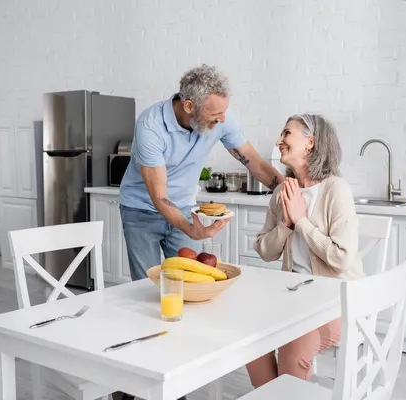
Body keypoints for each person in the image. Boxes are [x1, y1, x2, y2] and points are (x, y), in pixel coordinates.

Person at [119, 64, 284, 282]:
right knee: (148, 286)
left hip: (185, 207)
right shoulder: (151, 126)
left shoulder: (222, 119)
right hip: (141, 210)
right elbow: (159, 196)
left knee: (193, 281)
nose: (223, 119)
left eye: (224, 111)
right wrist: (191, 229)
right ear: (189, 106)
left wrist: (288, 192)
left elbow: (256, 164)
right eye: (216, 113)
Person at [245, 114, 364, 388]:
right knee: (250, 337)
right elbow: (265, 251)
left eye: (287, 133)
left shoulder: (336, 190)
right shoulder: (282, 193)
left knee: (293, 348)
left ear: (310, 143)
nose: (279, 141)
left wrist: (301, 222)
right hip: (295, 299)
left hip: (340, 301)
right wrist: (285, 225)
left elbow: (342, 258)